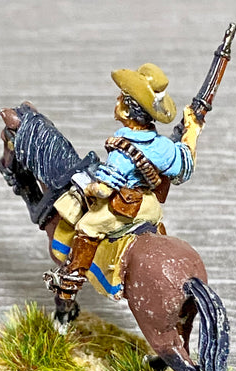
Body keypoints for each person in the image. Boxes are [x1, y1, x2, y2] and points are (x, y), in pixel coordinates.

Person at [50, 63, 203, 298]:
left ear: (128, 112)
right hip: (150, 207)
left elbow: (104, 190)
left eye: (121, 98)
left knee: (86, 226)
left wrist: (89, 188)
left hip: (124, 210)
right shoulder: (163, 146)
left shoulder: (122, 151)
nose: (117, 101)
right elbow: (185, 167)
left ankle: (70, 281)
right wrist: (192, 130)